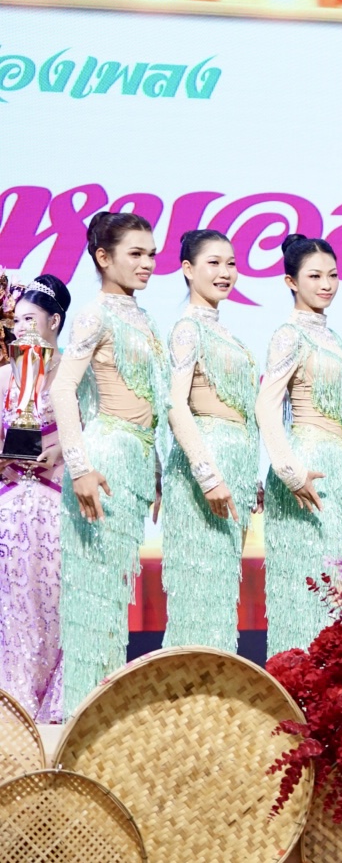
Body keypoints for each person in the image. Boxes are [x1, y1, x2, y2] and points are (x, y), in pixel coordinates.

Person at [52, 212, 166, 711]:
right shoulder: (94, 314)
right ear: (103, 257)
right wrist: (79, 468)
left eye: (151, 254)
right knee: (94, 599)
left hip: (134, 464)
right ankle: (82, 718)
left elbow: (152, 401)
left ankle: (102, 716)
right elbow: (62, 389)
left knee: (113, 598)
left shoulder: (144, 317)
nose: (147, 263)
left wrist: (157, 471)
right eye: (135, 254)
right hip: (102, 461)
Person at [256, 234, 342, 657]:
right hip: (305, 467)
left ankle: (320, 683)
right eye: (314, 276)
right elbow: (266, 406)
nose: (326, 285)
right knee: (303, 587)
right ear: (290, 281)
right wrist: (290, 473)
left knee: (328, 587)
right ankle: (293, 680)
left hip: (335, 471)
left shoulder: (334, 339)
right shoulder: (289, 335)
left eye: (332, 275)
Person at [161, 231, 260, 651]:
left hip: (232, 473)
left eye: (231, 263)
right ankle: (186, 684)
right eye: (214, 263)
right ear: (188, 269)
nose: (225, 272)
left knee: (219, 595)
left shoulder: (225, 332)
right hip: (203, 477)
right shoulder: (188, 329)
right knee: (197, 594)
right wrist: (207, 475)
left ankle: (214, 684)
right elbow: (175, 405)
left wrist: (249, 476)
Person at [0, 276, 70, 720]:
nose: (21, 328)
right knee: (15, 611)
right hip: (9, 510)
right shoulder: (5, 376)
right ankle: (14, 710)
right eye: (18, 320)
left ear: (54, 322)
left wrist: (62, 447)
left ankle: (57, 712)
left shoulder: (75, 374)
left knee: (56, 609)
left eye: (31, 319)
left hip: (61, 508)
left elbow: (97, 434)